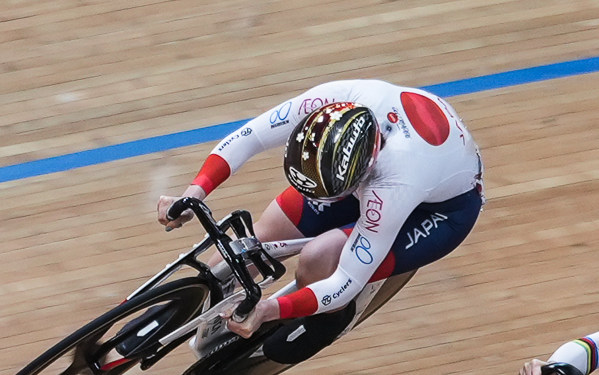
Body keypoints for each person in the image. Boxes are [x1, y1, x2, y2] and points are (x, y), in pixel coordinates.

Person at [157, 80, 483, 356]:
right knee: (257, 240)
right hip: (376, 172)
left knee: (319, 258)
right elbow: (250, 137)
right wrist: (194, 192)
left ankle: (331, 321)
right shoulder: (338, 98)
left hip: (439, 211)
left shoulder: (394, 183)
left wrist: (271, 309)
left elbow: (346, 280)